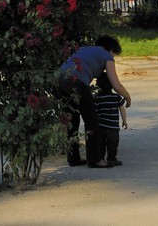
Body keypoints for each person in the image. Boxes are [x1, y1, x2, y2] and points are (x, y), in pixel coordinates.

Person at [56, 35, 132, 167]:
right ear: (111, 49)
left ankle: (73, 158)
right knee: (92, 120)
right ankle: (95, 159)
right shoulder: (107, 56)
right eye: (114, 55)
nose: (113, 58)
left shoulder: (84, 49)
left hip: (59, 79)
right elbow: (116, 85)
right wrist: (127, 96)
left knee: (71, 119)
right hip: (76, 82)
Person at [86, 72, 126, 168]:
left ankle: (101, 159)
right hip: (113, 127)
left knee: (101, 144)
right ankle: (112, 159)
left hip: (101, 126)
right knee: (113, 144)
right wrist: (125, 121)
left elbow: (94, 112)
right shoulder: (116, 97)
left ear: (98, 85)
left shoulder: (98, 98)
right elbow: (122, 109)